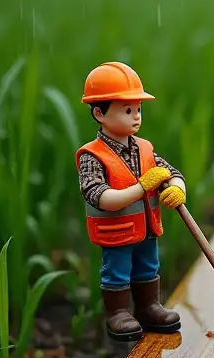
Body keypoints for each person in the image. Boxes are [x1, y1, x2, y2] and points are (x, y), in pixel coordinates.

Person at [77, 61, 186, 342]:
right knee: (117, 271)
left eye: (138, 109)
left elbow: (170, 171)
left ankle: (149, 306)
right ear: (99, 113)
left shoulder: (144, 148)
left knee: (148, 267)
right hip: (117, 232)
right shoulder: (93, 156)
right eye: (128, 110)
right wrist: (141, 187)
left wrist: (176, 187)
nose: (136, 117)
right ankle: (118, 313)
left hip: (147, 228)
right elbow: (99, 196)